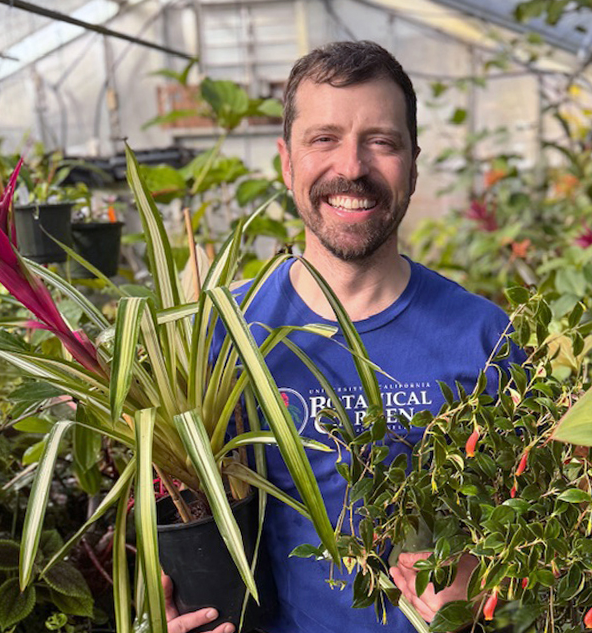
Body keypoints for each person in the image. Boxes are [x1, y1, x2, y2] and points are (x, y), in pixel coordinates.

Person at [167, 40, 516, 633]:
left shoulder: (484, 338)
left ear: (413, 161)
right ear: (286, 161)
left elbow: (542, 522)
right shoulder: (221, 334)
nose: (351, 167)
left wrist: (494, 582)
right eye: (323, 139)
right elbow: (178, 511)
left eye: (381, 142)